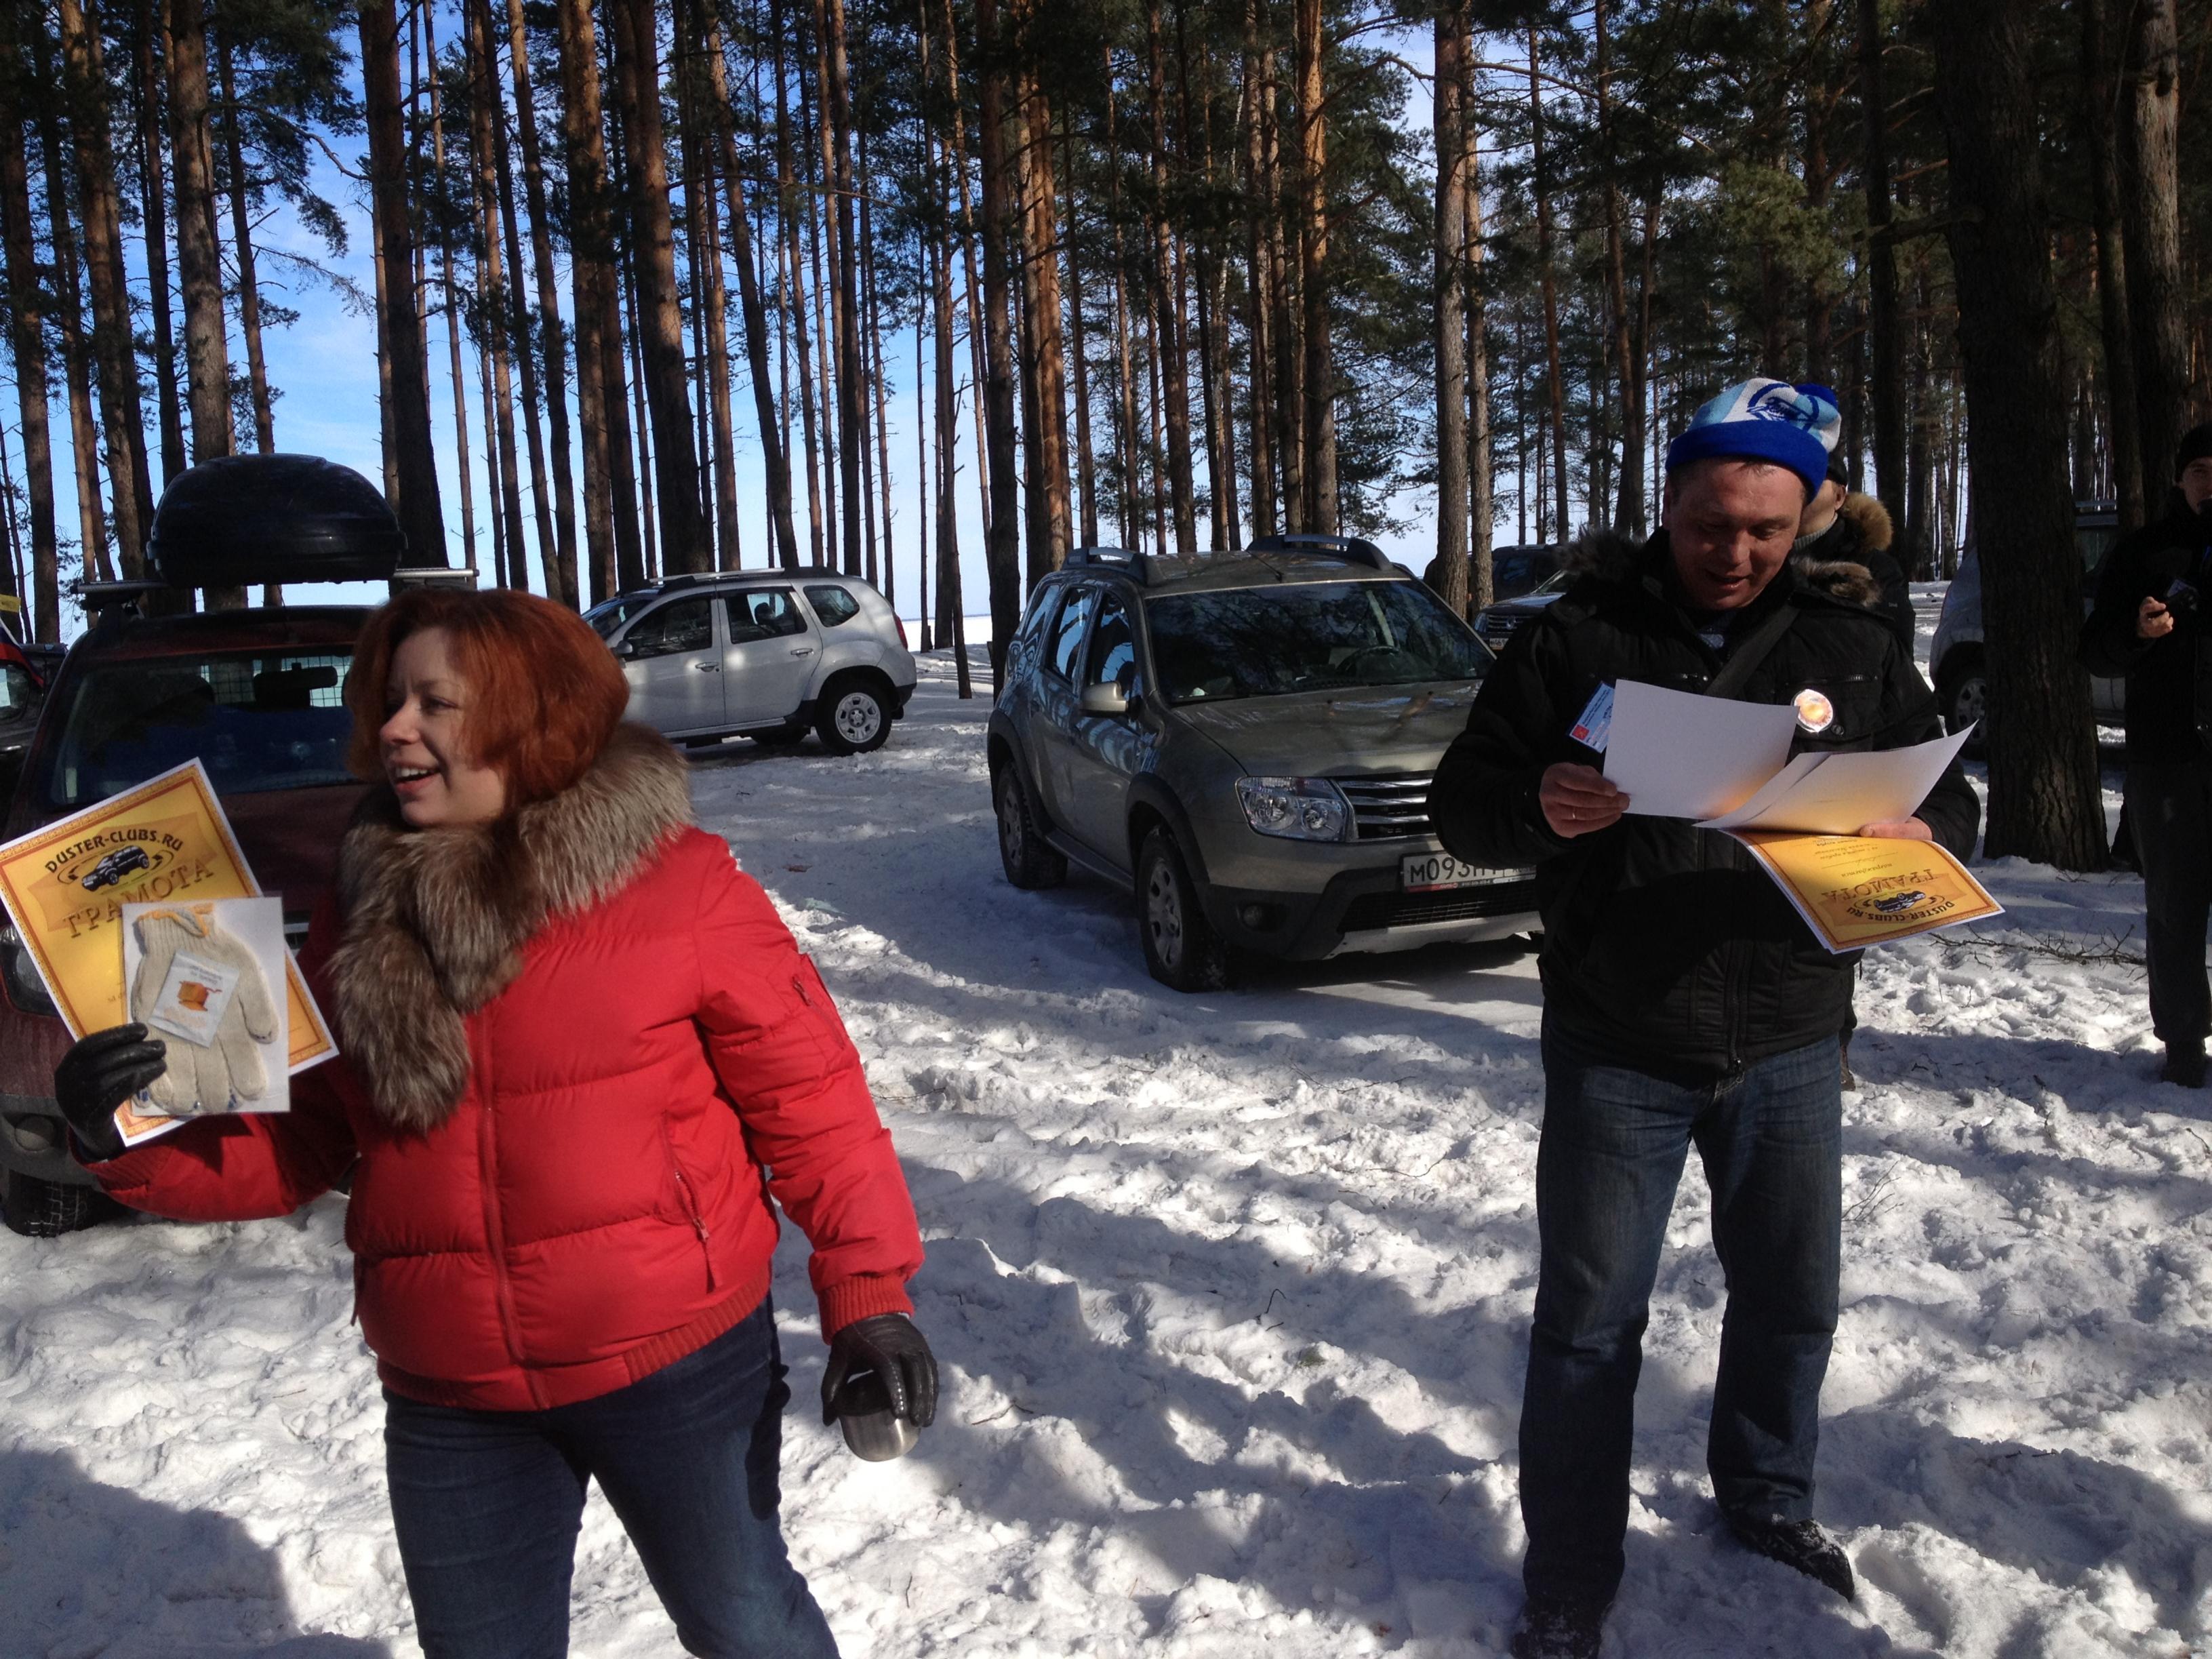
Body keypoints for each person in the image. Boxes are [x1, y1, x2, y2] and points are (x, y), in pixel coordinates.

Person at [51, 587, 936, 1658]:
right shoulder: (359, 906)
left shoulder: (682, 888)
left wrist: (867, 1295)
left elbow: (815, 1108)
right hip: (452, 1393)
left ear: (529, 717)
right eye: (390, 700)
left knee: (747, 1623)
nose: (393, 727)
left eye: (434, 702)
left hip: (676, 1362)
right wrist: (123, 1134)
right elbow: (302, 1143)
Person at [1430, 378, 1979, 1659]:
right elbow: (1464, 801)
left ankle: (1767, 1495)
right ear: (1667, 504)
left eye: (1765, 531)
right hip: (1618, 1038)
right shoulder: (1577, 637)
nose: (1734, 552)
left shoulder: (1847, 641)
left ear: (1805, 520)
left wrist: (1921, 827)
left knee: (1791, 1299)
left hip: (1789, 1032)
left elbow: (1943, 796)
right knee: (1586, 1327)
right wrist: (1540, 804)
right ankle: (1570, 1572)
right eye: (1709, 525)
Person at [2079, 421, 2212, 1087]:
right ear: (2179, 478)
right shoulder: (2143, 552)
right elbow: (2094, 650)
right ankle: (2183, 1041)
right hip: (2167, 757)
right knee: (2173, 905)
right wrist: (2136, 631)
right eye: (2200, 471)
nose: (2210, 484)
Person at [1796, 456, 1912, 1090]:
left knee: (1835, 908)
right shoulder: (1761, 552)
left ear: (1839, 494)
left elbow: (1889, 666)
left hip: (1845, 747)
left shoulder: (1874, 567)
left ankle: (1831, 1040)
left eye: (1812, 477)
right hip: (1778, 742)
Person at [1795, 451, 1914, 649]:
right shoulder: (1753, 555)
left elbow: (1895, 656)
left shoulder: (1876, 568)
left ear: (1839, 497)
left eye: (1813, 481)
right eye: (1793, 481)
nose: (1799, 491)